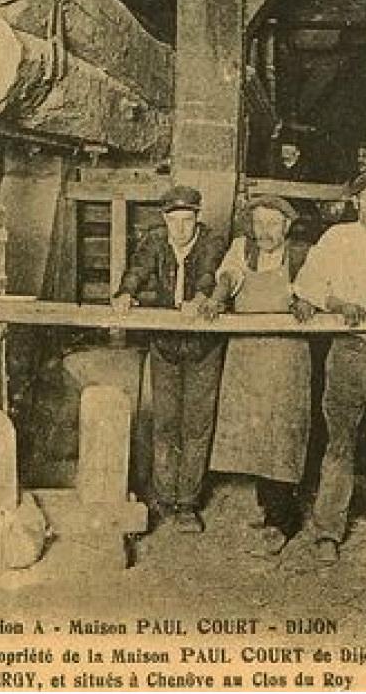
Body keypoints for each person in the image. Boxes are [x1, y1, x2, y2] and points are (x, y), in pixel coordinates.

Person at [111, 185, 225, 533]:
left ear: (197, 218)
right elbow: (138, 268)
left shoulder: (211, 241)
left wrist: (200, 298)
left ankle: (187, 503)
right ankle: (163, 498)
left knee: (196, 425)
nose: (181, 228)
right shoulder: (155, 241)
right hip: (165, 345)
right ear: (164, 219)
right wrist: (125, 293)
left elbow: (208, 273)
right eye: (174, 221)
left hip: (203, 348)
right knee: (164, 422)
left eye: (187, 220)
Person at [201, 196, 311, 557]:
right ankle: (268, 510)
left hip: (285, 358)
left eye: (272, 224)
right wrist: (217, 298)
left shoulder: (300, 254)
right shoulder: (241, 248)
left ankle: (283, 522)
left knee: (282, 437)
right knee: (256, 436)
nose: (264, 231)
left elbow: (314, 288)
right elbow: (228, 276)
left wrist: (305, 301)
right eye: (259, 223)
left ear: (287, 227)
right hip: (247, 356)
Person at [292, 170, 366, 565]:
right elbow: (309, 285)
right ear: (355, 203)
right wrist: (339, 305)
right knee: (339, 445)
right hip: (347, 353)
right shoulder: (337, 238)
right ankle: (328, 531)